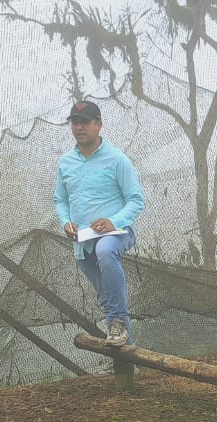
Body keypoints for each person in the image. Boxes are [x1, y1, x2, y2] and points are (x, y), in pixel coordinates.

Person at [54, 100, 145, 346]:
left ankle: (118, 323)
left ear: (99, 125)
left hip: (117, 233)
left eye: (85, 122)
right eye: (75, 123)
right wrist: (65, 222)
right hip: (82, 241)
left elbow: (136, 200)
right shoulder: (66, 163)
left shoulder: (117, 159)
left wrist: (113, 221)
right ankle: (124, 350)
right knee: (107, 297)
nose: (79, 128)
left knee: (105, 251)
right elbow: (60, 200)